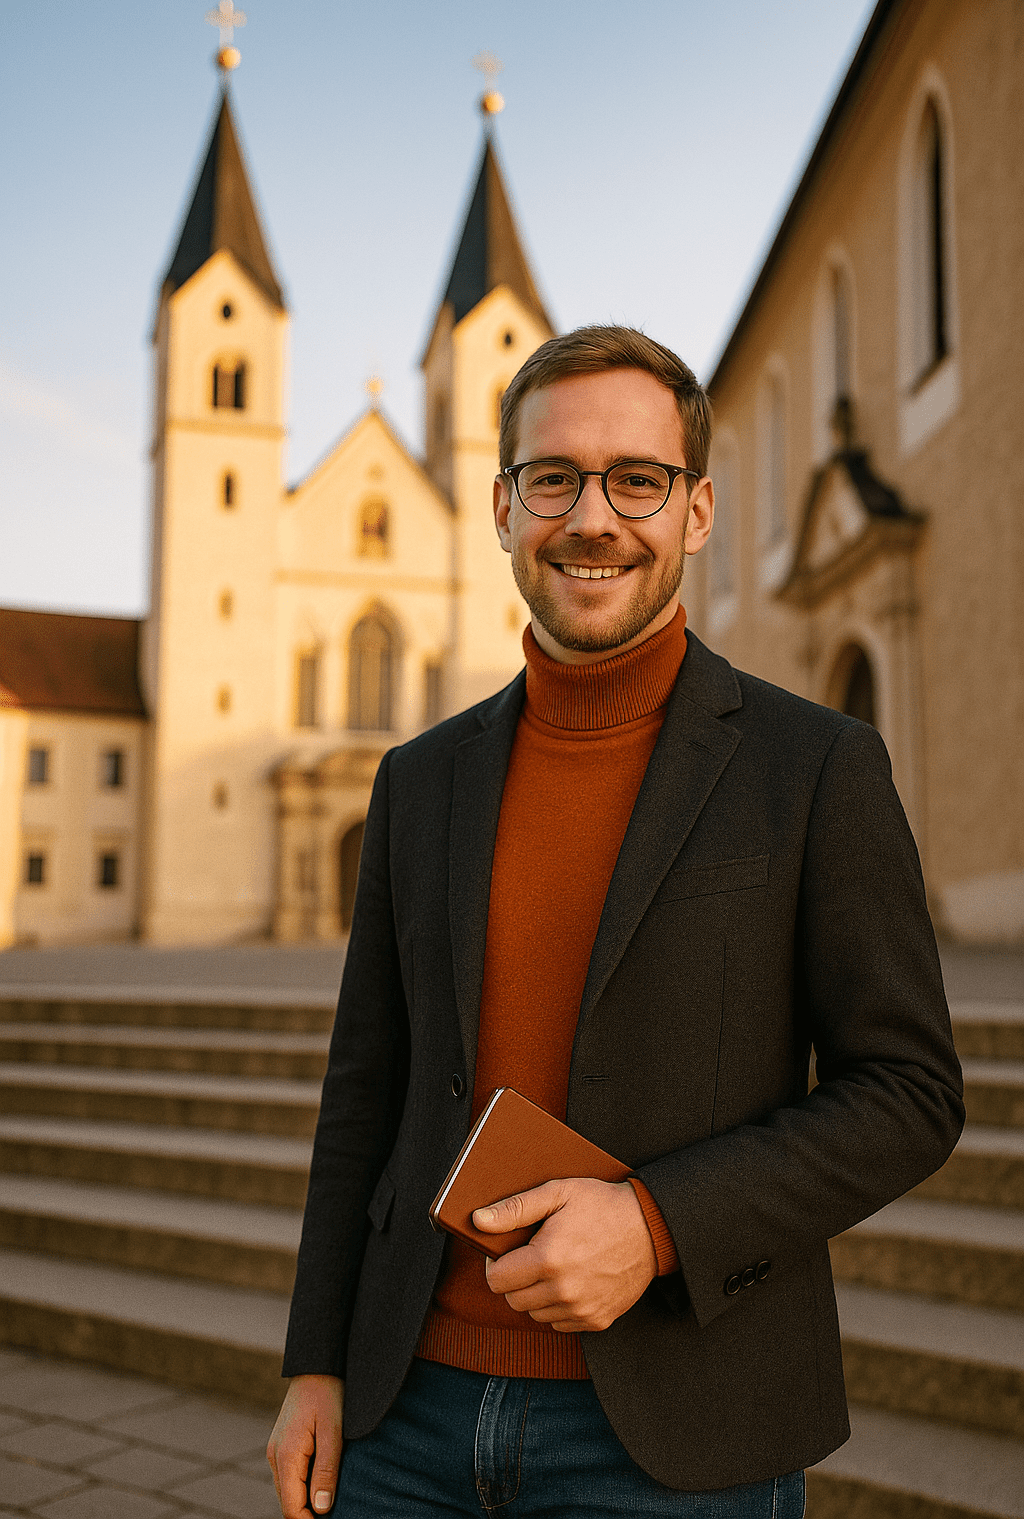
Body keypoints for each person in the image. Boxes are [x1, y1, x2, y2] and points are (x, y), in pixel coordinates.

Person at [268, 326, 963, 1518]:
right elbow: (364, 1094)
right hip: (402, 1418)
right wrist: (313, 1364)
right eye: (555, 478)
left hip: (681, 1431)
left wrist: (654, 1224)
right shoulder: (418, 781)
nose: (593, 517)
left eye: (636, 479)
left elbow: (907, 1091)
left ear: (694, 511)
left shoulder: (816, 767)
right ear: (501, 506)